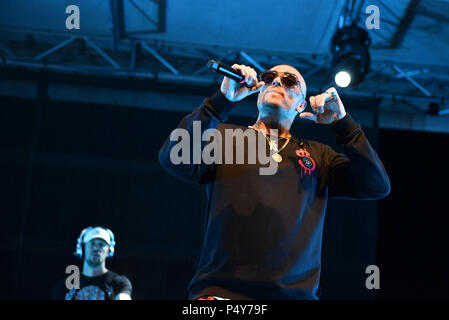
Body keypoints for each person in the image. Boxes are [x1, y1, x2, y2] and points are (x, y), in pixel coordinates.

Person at [158, 63, 390, 300]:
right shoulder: (224, 137)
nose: (277, 82)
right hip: (222, 293)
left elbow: (375, 185)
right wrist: (222, 101)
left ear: (301, 104)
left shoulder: (318, 156)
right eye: (269, 78)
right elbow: (172, 158)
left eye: (289, 81)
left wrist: (344, 125)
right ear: (259, 91)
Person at [51, 226, 132, 300]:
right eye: (92, 243)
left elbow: (123, 297)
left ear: (109, 250)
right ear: (82, 248)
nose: (96, 248)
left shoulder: (119, 282)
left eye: (101, 244)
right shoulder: (65, 285)